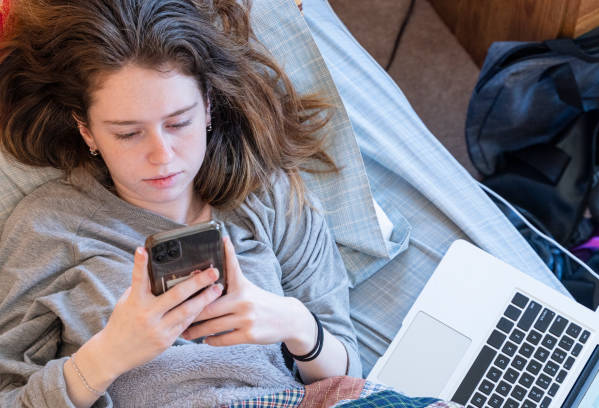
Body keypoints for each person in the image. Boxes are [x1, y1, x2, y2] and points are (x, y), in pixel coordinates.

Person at [0, 0, 362, 406]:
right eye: (128, 133)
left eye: (178, 122)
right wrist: (107, 355)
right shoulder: (48, 228)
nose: (163, 155)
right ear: (86, 131)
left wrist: (295, 324)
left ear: (207, 105)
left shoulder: (267, 197)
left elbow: (349, 375)